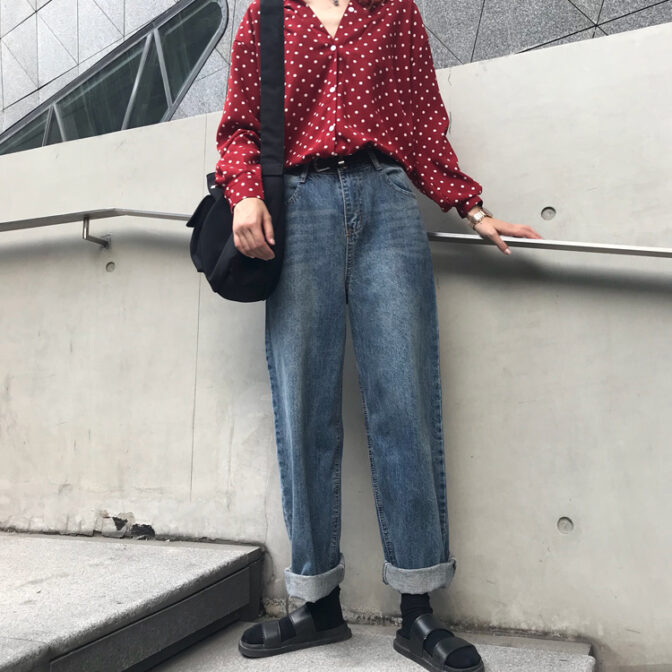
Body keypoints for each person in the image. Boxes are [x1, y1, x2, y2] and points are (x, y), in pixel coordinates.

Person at [214, 0, 543, 669]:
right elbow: (240, 125)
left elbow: (422, 122)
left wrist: (472, 207)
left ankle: (417, 611)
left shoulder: (394, 10)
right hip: (296, 206)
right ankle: (316, 603)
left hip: (386, 201)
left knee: (405, 402)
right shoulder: (267, 15)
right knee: (303, 406)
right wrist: (244, 191)